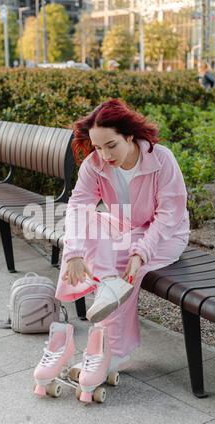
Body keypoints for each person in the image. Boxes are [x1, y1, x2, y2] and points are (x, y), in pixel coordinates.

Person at [33, 98, 190, 403]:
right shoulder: (95, 164)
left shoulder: (162, 160)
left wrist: (141, 252)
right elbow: (79, 205)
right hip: (125, 227)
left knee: (127, 269)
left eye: (111, 145)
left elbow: (169, 213)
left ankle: (112, 353)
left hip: (166, 235)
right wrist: (75, 252)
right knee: (89, 232)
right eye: (98, 147)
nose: (104, 155)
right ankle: (107, 289)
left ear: (130, 135)